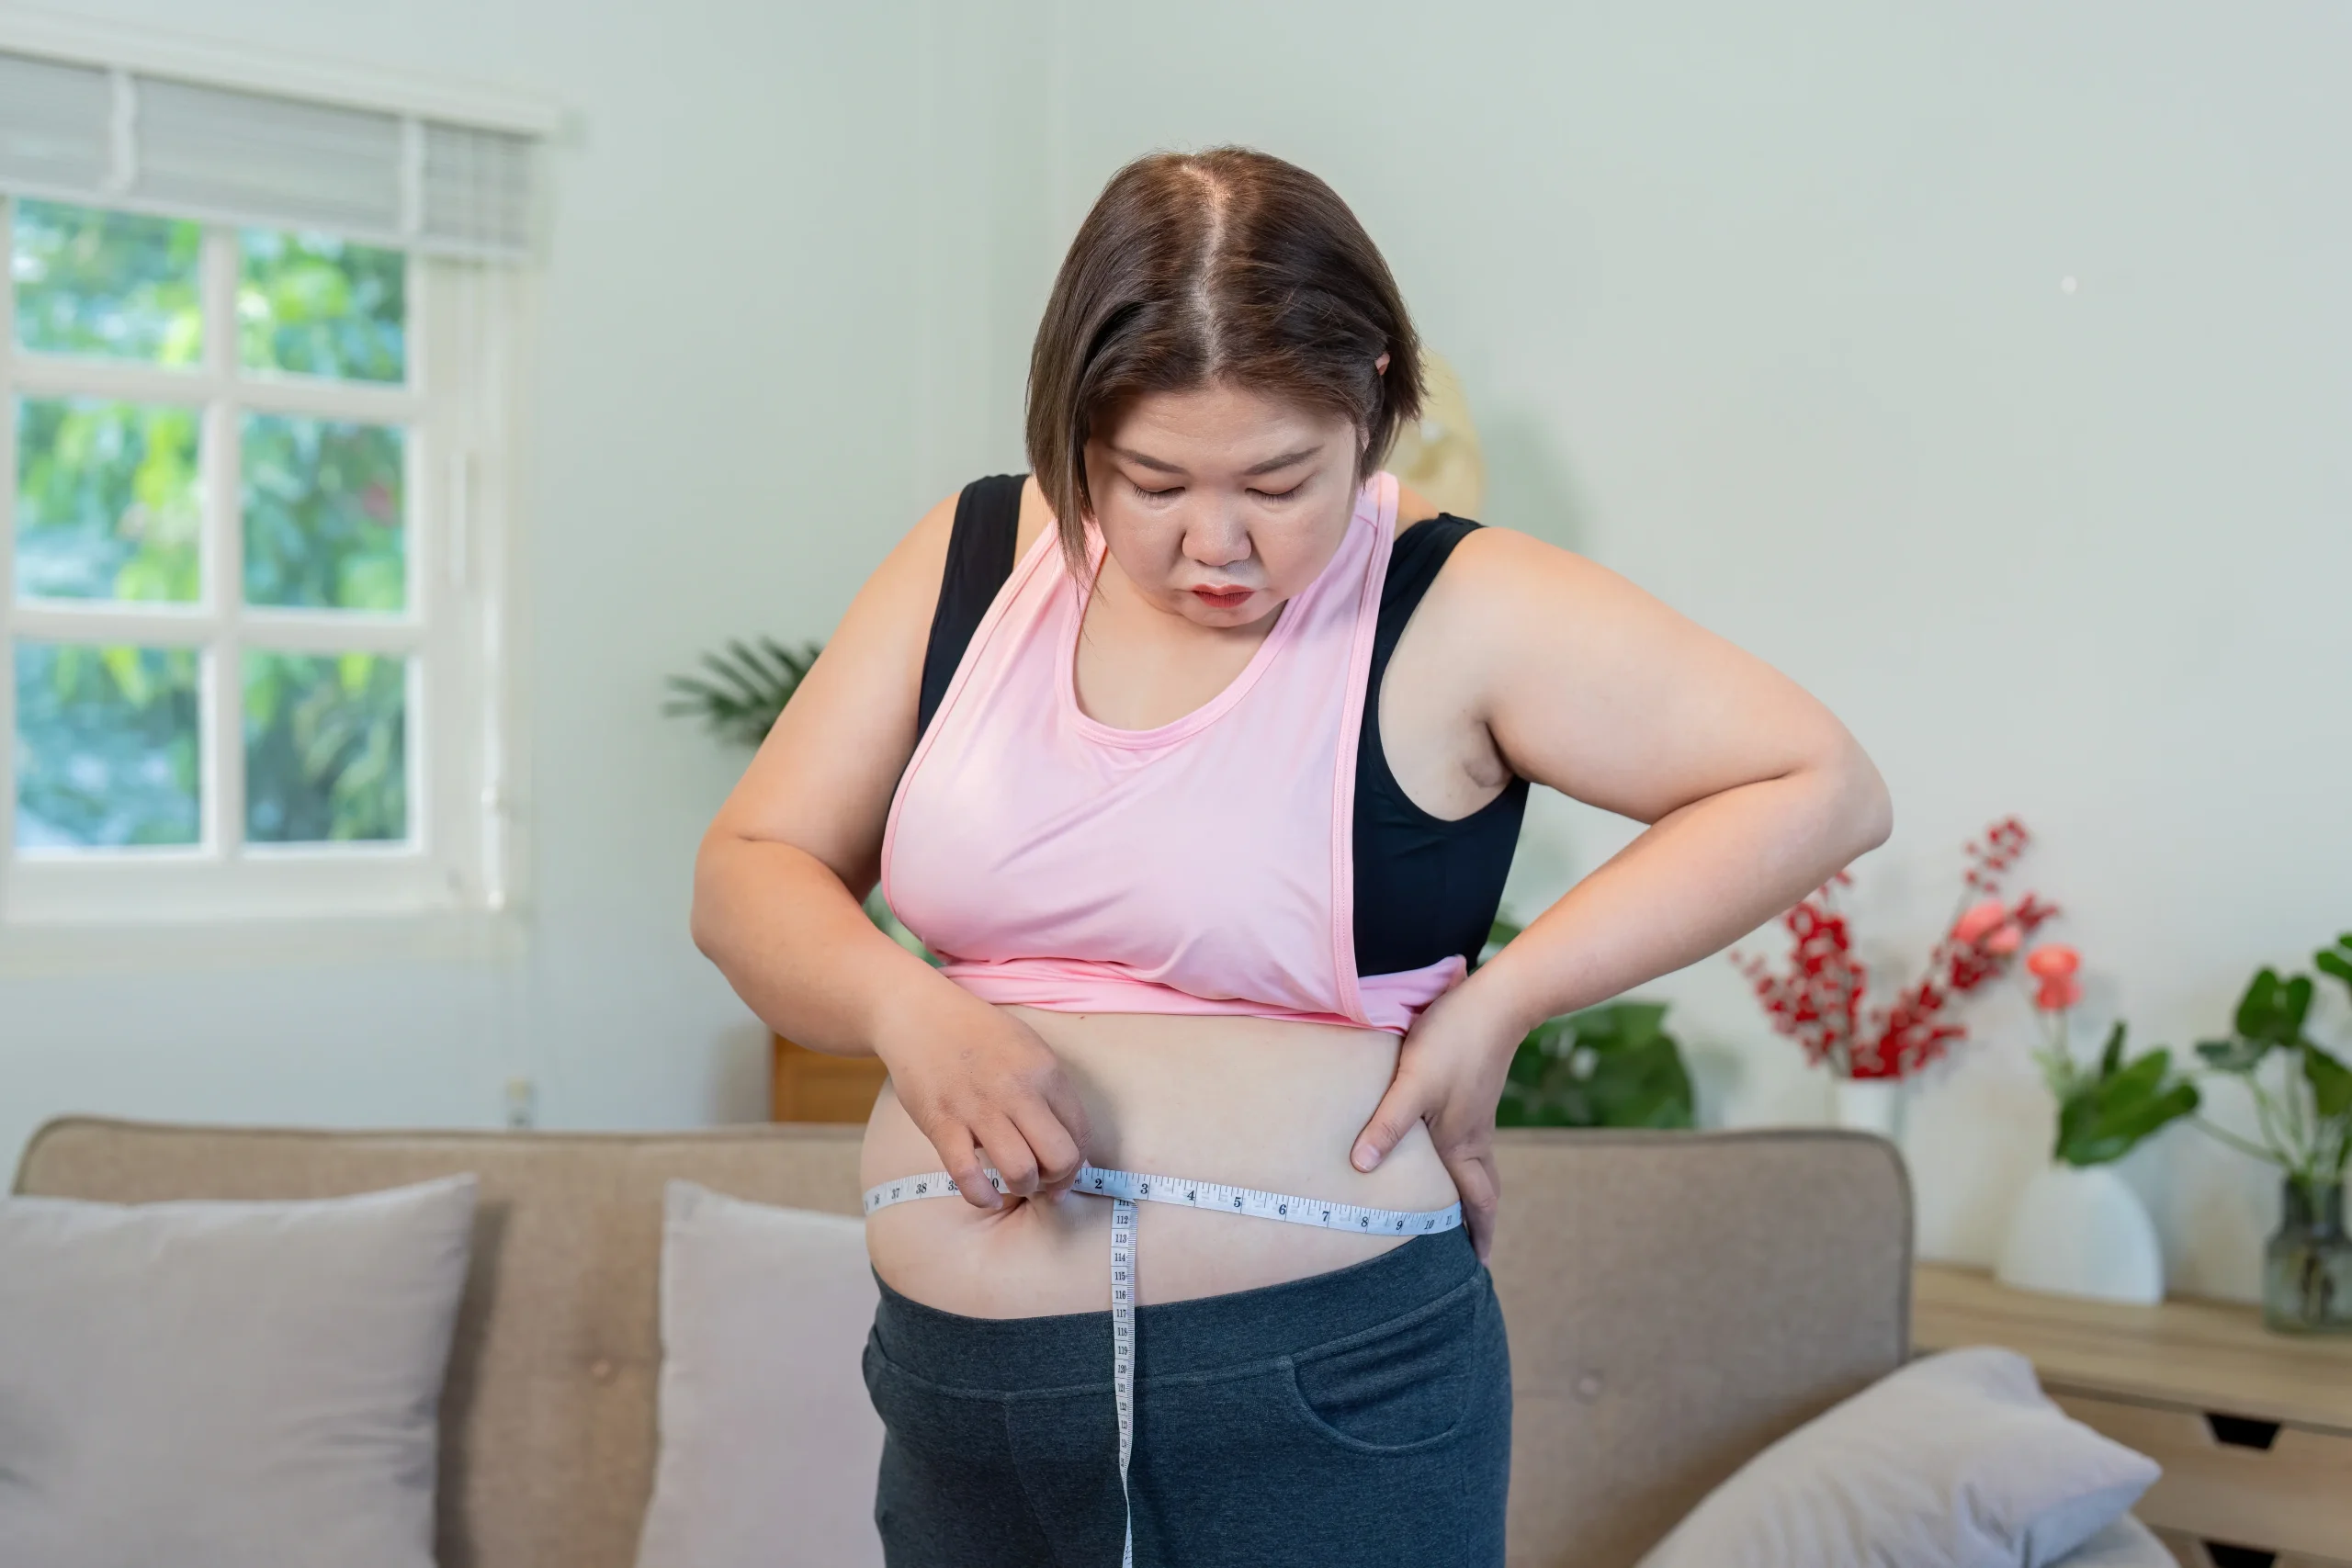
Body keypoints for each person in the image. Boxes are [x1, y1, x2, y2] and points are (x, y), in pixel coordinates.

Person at [692, 146, 1892, 1568]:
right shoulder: (975, 556)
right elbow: (749, 865)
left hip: (1325, 1403)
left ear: (1370, 401)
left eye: (1280, 481)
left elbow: (1819, 782)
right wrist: (906, 1009)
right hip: (962, 1407)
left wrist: (1506, 1000)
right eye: (1149, 481)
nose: (1217, 545)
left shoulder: (1461, 603)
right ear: (1076, 427)